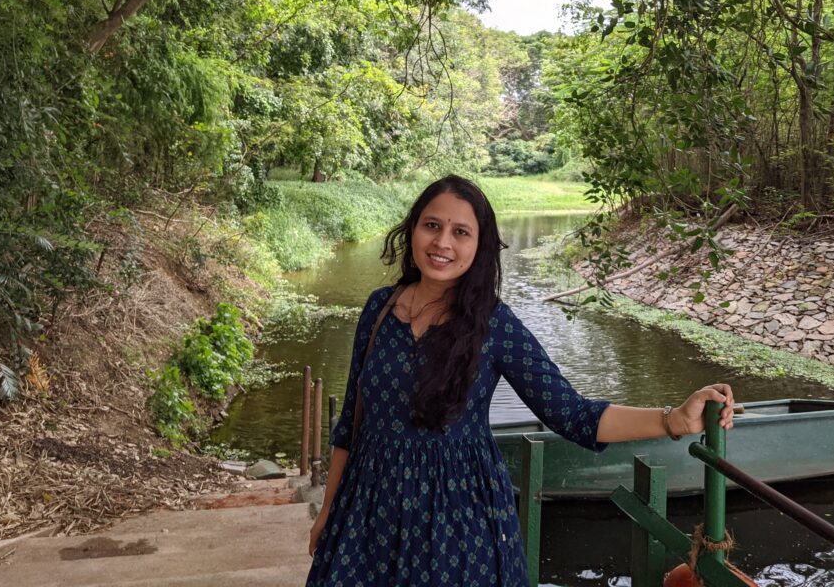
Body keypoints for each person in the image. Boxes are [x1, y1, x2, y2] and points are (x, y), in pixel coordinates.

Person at [306, 175, 734, 586]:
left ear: (481, 246)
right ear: (413, 229)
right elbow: (351, 425)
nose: (442, 243)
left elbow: (572, 414)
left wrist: (673, 419)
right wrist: (328, 510)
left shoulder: (493, 325)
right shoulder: (379, 309)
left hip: (457, 522)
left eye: (461, 232)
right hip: (366, 513)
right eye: (432, 226)